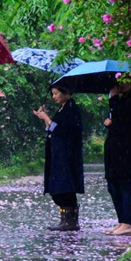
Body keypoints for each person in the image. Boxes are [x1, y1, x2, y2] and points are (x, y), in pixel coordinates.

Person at [34, 84, 84, 232]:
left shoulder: (72, 110)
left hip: (67, 154)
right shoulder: (62, 108)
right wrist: (45, 118)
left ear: (66, 92)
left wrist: (47, 118)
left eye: (56, 93)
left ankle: (71, 220)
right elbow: (53, 129)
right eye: (53, 94)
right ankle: (65, 219)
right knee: (57, 186)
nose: (54, 97)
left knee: (64, 186)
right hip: (57, 152)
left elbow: (62, 131)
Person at [103, 76, 131, 235]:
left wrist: (113, 99)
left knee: (124, 184)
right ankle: (121, 221)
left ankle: (127, 223)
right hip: (114, 149)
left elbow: (125, 122)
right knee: (112, 185)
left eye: (126, 81)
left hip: (125, 150)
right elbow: (117, 120)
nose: (121, 84)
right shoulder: (122, 100)